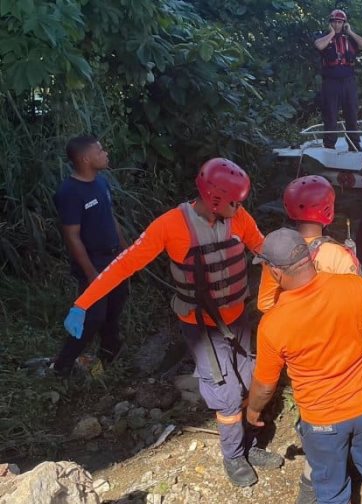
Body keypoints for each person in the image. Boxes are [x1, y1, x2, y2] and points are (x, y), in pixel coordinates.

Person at [62, 158, 282, 487]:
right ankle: (233, 455)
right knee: (225, 391)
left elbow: (266, 250)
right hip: (201, 325)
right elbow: (125, 265)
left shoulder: (239, 219)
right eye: (235, 201)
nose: (240, 207)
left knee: (249, 379)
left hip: (237, 319)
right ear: (215, 197)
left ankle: (248, 444)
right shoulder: (170, 225)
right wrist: (83, 303)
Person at [247, 228, 362, 504]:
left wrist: (253, 409)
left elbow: (264, 386)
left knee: (331, 489)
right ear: (311, 256)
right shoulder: (355, 287)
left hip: (322, 421)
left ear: (274, 272)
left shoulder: (273, 324)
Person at [51, 135, 129, 376]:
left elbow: (110, 218)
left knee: (115, 308)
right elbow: (72, 236)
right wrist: (91, 273)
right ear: (85, 158)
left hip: (113, 258)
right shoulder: (69, 192)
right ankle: (62, 366)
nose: (105, 154)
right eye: (100, 151)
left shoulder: (101, 183)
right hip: (93, 262)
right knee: (93, 317)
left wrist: (127, 251)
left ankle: (108, 359)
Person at [257, 175, 360, 312]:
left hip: (291, 328)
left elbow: (265, 304)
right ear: (328, 210)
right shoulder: (339, 255)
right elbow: (355, 302)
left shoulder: (276, 250)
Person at [314, 9, 362, 151]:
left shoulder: (349, 39)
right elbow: (319, 45)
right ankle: (329, 146)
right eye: (334, 22)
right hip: (331, 82)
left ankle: (354, 145)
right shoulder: (324, 37)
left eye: (339, 22)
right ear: (330, 23)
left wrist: (350, 32)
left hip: (348, 81)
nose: (337, 25)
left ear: (344, 23)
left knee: (352, 113)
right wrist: (332, 33)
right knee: (330, 115)